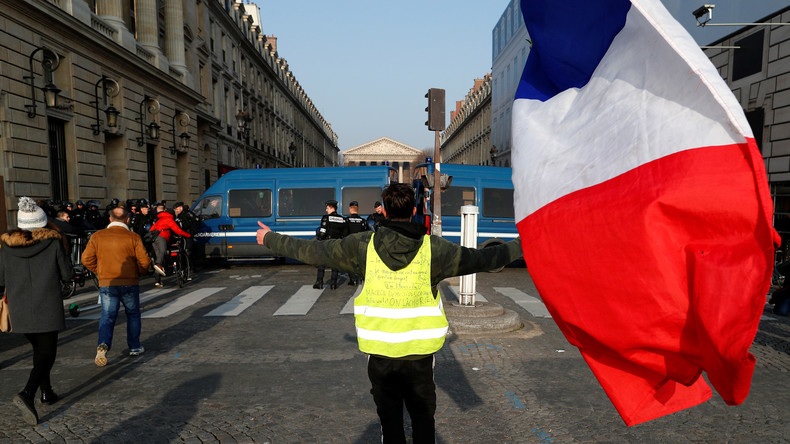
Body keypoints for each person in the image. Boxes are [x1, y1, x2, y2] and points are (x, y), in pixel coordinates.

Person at [255, 183, 522, 443]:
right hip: (420, 353)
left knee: (390, 423)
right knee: (423, 421)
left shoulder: (362, 246)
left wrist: (269, 238)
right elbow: (486, 258)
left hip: (380, 354)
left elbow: (312, 251)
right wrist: (525, 243)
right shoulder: (434, 249)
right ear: (414, 211)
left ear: (383, 209)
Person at [0, 197, 72, 425]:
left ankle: (46, 391)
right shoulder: (53, 242)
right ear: (41, 222)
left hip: (20, 307)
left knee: (38, 350)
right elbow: (67, 275)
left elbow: (1, 278)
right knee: (47, 354)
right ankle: (27, 393)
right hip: (47, 305)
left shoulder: (6, 246)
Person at [81, 207, 151, 367]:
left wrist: (99, 271)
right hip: (129, 282)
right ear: (127, 220)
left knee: (107, 315)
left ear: (110, 219)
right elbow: (145, 262)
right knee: (133, 314)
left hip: (108, 282)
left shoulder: (97, 236)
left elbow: (86, 259)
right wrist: (137, 273)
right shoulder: (133, 237)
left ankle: (103, 344)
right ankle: (134, 346)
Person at [149, 204, 192, 287]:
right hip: (162, 237)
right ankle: (158, 265)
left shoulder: (160, 219)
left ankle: (157, 280)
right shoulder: (169, 219)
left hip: (154, 239)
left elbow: (151, 229)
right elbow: (178, 231)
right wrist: (188, 235)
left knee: (159, 257)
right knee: (162, 253)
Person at [314, 199, 347, 290]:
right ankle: (333, 283)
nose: (326, 210)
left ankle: (319, 282)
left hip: (327, 243)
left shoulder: (326, 218)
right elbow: (344, 234)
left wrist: (319, 239)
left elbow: (322, 232)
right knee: (335, 265)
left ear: (332, 208)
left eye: (327, 208)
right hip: (337, 243)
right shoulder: (342, 219)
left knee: (322, 263)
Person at [344, 201, 368, 285]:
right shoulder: (363, 221)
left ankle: (353, 279)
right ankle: (361, 278)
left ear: (350, 209)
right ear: (357, 209)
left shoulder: (347, 220)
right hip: (360, 244)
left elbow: (345, 233)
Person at [173, 202, 198, 280]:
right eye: (176, 209)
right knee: (183, 251)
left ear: (181, 207)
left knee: (188, 251)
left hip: (188, 234)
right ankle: (185, 267)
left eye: (177, 209)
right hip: (183, 235)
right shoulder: (180, 215)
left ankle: (190, 267)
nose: (177, 210)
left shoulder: (186, 214)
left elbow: (191, 224)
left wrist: (191, 231)